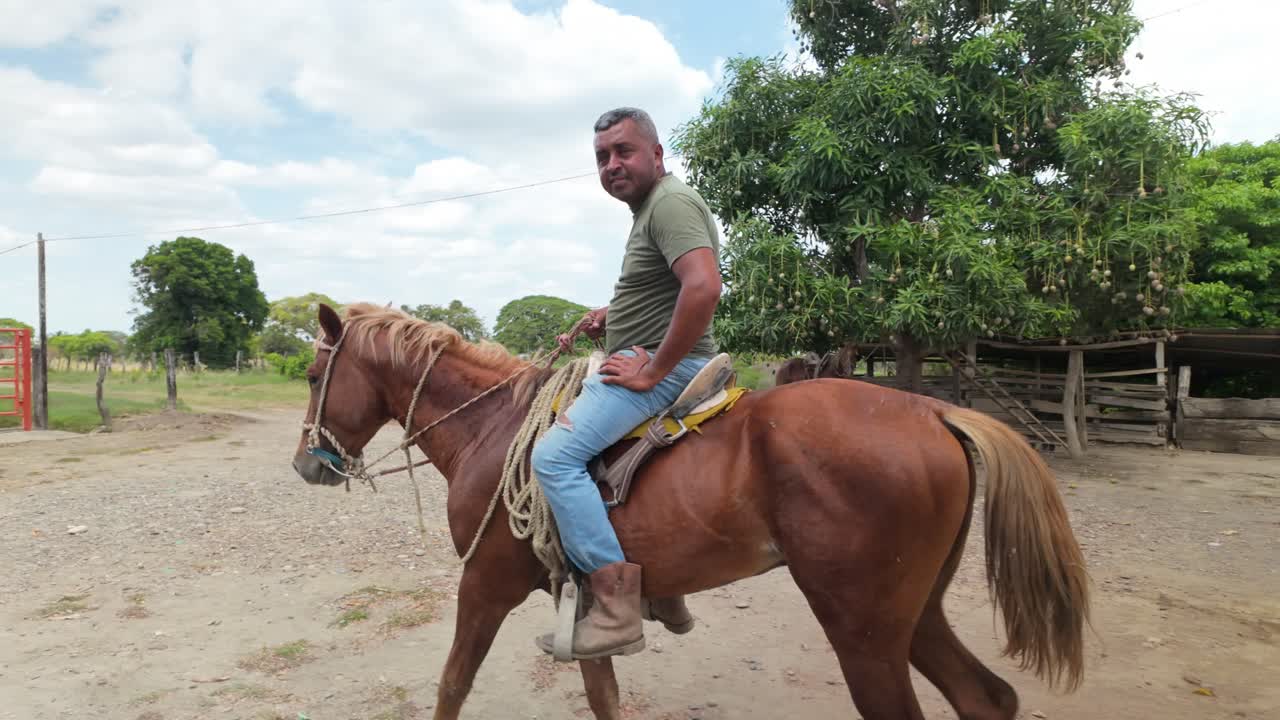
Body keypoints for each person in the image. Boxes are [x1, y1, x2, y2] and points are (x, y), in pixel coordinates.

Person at [530, 107, 723, 660]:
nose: (612, 164)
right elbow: (667, 289)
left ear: (657, 155)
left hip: (668, 369)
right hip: (649, 356)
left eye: (624, 151)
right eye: (601, 157)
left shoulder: (670, 204)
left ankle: (615, 607)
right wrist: (613, 315)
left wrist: (654, 370)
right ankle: (665, 591)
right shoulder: (651, 209)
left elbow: (703, 287)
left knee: (555, 458)